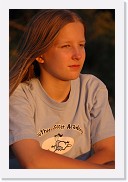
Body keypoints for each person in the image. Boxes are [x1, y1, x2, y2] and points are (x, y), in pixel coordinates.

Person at [9, 9, 115, 169]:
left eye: (81, 45)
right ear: (40, 54)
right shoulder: (17, 94)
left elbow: (109, 151)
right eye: (66, 46)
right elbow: (33, 161)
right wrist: (103, 173)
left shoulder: (92, 88)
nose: (78, 55)